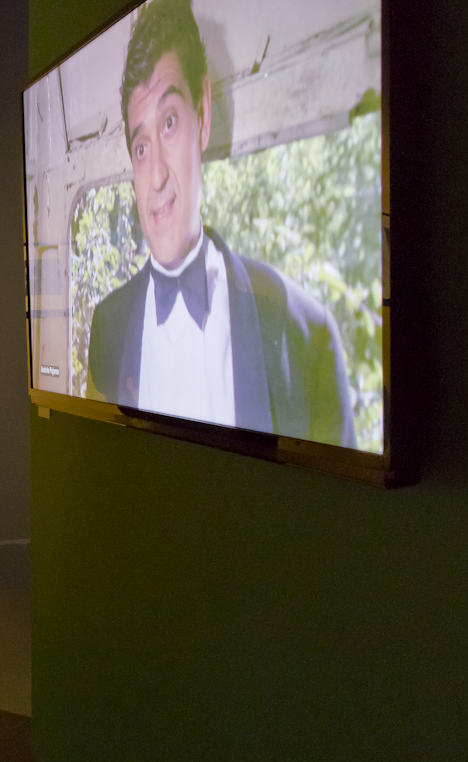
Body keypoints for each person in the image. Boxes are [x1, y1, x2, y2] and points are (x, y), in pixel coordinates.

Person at [87, 0, 355, 447]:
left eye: (169, 123)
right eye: (141, 148)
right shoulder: (107, 328)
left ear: (203, 116)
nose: (156, 177)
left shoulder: (306, 335)